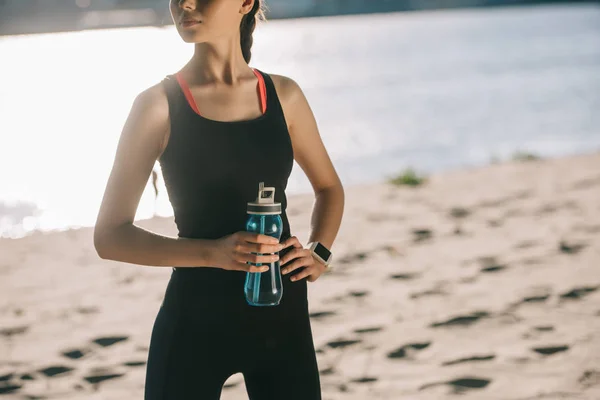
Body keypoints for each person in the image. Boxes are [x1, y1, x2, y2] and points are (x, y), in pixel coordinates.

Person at [93, 0, 345, 399]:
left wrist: (319, 252)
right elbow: (109, 236)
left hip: (282, 319)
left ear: (246, 2)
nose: (185, 4)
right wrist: (214, 253)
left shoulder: (284, 96)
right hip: (195, 322)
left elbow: (329, 188)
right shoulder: (157, 105)